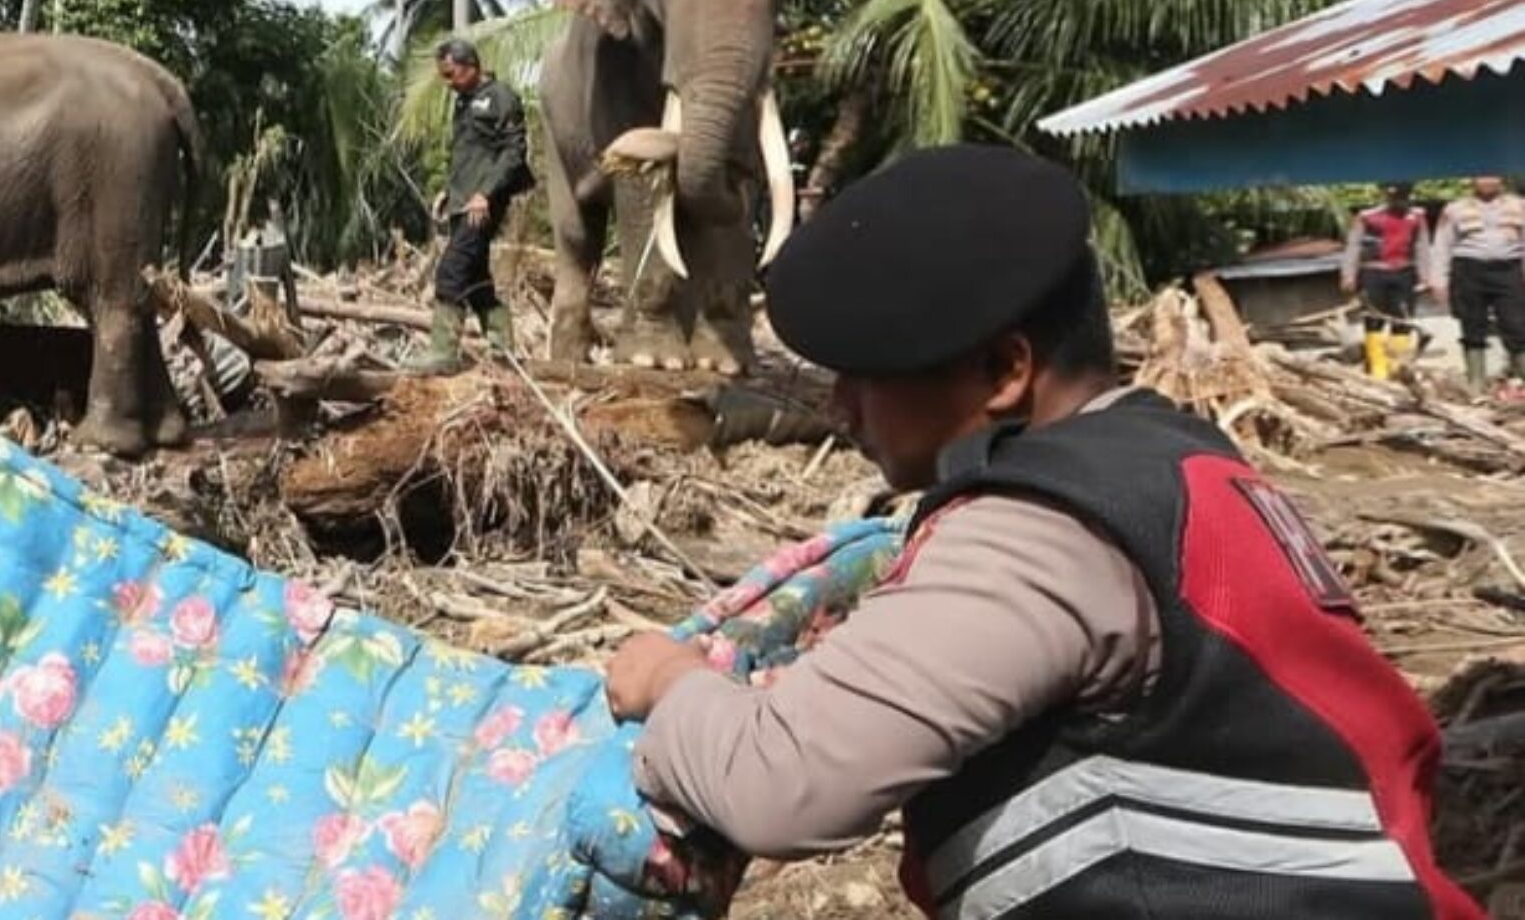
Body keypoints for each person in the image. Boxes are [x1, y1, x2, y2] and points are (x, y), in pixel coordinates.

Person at [605, 145, 1479, 919]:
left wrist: (672, 681)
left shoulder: (1044, 531)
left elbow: (783, 787)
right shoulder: (1176, 466)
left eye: (865, 378)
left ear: (1001, 370)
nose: (840, 409)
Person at [411, 38, 532, 372]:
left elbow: (513, 153)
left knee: (450, 272)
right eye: (444, 77)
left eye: (451, 74)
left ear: (470, 66)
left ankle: (443, 354)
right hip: (464, 201)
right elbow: (470, 155)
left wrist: (486, 194)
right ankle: (502, 349)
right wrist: (450, 193)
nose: (448, 84)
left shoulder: (500, 97)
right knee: (475, 278)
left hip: (485, 204)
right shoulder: (464, 102)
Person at [1429, 175, 1525, 392]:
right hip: (1468, 270)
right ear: (1472, 180)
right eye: (1481, 176)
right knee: (1472, 324)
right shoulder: (1454, 209)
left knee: (1516, 324)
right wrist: (1438, 281)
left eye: (1492, 176)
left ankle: (1521, 375)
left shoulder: (1519, 205)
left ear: (1501, 179)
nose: (1487, 181)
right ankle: (1476, 382)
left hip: (1508, 269)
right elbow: (1442, 245)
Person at [1342, 182, 1430, 379]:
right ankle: (1378, 369)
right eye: (1393, 196)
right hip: (1374, 273)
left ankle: (1396, 367)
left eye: (1401, 196)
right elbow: (1353, 245)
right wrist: (1348, 274)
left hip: (1405, 272)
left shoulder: (1416, 216)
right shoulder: (1368, 216)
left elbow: (1422, 246)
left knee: (1403, 320)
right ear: (1385, 195)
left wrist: (1425, 275)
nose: (1397, 200)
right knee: (1373, 319)